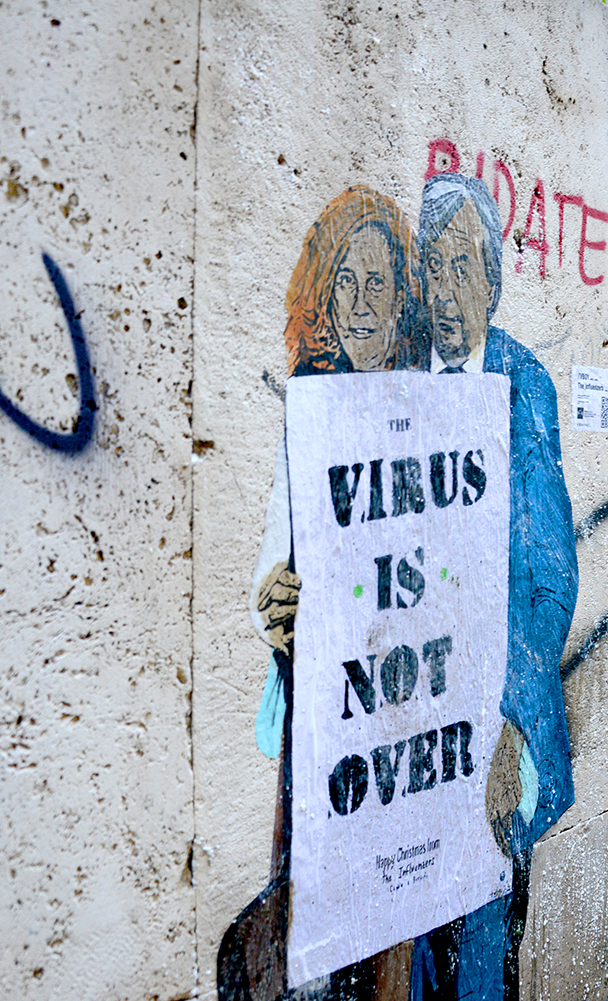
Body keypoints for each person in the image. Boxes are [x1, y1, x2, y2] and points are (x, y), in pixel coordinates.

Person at [221, 185, 421, 1001]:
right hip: (319, 717)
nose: (364, 303)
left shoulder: (424, 410)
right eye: (348, 282)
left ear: (402, 296)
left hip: (401, 710)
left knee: (387, 938)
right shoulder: (308, 411)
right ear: (325, 297)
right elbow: (274, 561)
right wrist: (277, 605)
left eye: (380, 283)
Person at [409, 173, 578, 1001]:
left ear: (493, 279)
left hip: (499, 723)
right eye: (433, 270)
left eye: (464, 268)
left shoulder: (524, 386)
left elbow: (551, 576)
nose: (447, 292)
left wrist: (511, 726)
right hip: (421, 725)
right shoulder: (403, 379)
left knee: (483, 954)